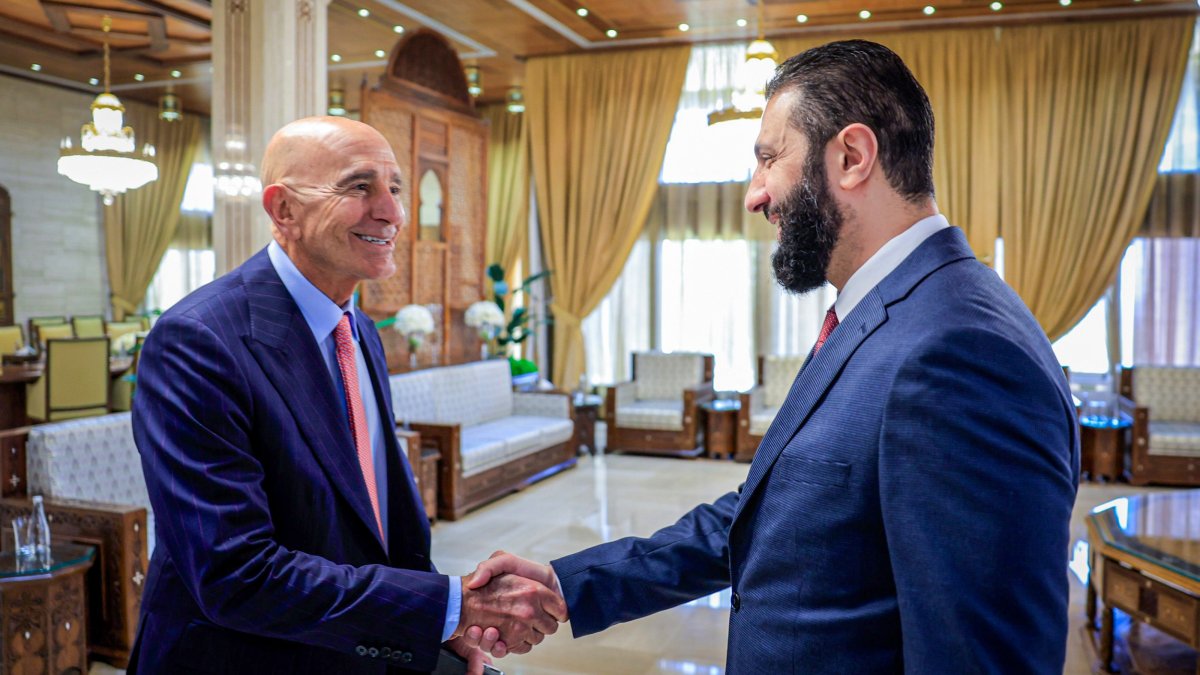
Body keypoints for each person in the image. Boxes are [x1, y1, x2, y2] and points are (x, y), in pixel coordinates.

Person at [464, 40, 1080, 673]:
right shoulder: (882, 311)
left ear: (852, 157)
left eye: (767, 159)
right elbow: (773, 517)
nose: (754, 196)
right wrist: (570, 584)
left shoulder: (962, 352)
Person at [129, 116, 565, 674]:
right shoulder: (197, 340)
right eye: (359, 186)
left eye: (395, 188)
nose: (392, 212)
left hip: (358, 650)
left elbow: (377, 521)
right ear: (284, 210)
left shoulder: (359, 331)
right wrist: (448, 609)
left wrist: (432, 631)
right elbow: (234, 573)